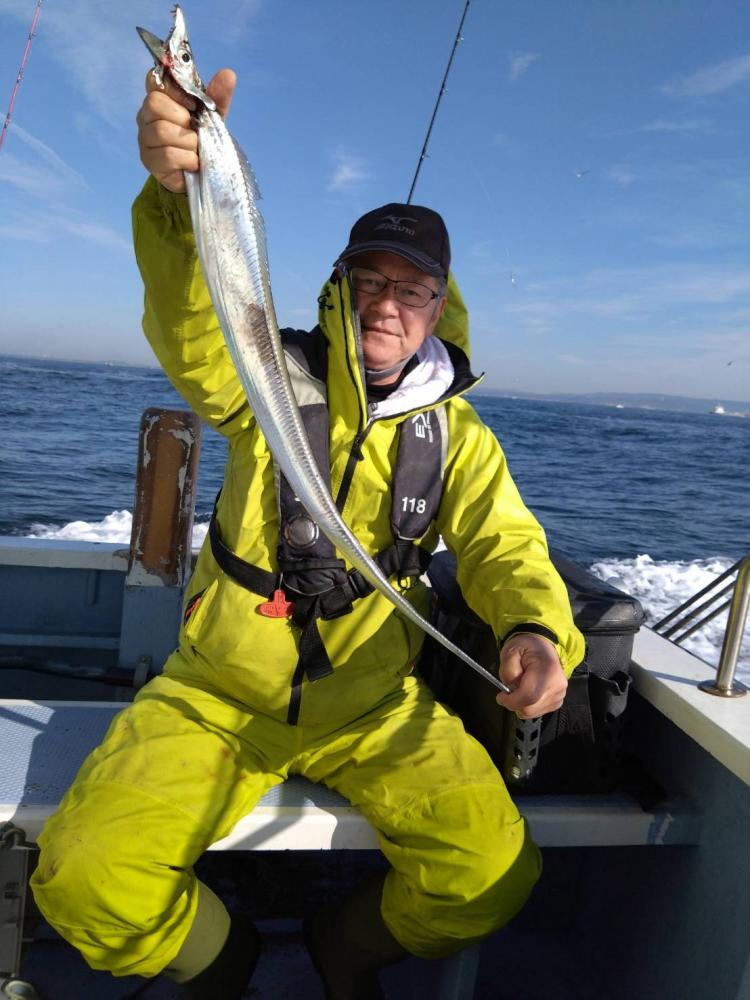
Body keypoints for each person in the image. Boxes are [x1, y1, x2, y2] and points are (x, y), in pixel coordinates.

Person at [30, 68, 585, 1000]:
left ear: (438, 307)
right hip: (215, 695)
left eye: (412, 289)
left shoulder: (458, 438)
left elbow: (505, 547)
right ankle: (224, 960)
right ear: (340, 286)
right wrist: (177, 199)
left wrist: (536, 630)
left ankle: (346, 945)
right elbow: (194, 321)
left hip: (375, 706)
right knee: (86, 877)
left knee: (489, 876)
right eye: (370, 279)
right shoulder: (263, 378)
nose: (387, 303)